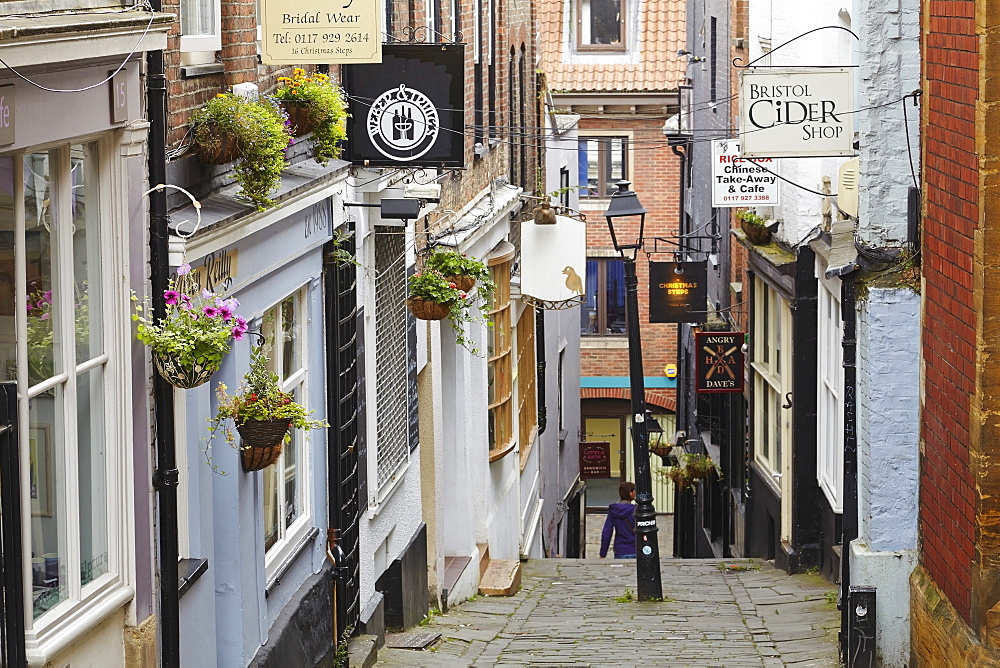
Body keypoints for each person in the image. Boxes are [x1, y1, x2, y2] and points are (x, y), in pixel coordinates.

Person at [599, 481, 636, 559]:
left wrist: (603, 553)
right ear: (631, 493)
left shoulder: (614, 510)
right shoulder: (636, 510)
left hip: (620, 549)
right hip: (635, 548)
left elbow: (607, 532)